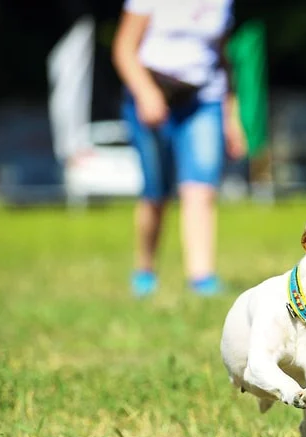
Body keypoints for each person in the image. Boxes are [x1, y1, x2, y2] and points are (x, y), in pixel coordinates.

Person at [112, 0, 246, 298]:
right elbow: (124, 48)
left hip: (203, 98)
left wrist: (231, 117)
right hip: (151, 93)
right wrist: (145, 92)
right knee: (156, 192)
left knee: (200, 189)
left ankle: (202, 278)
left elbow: (222, 58)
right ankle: (145, 268)